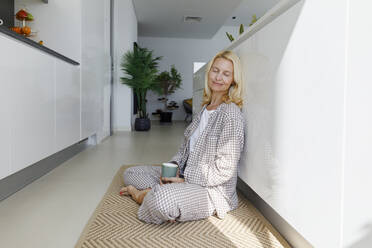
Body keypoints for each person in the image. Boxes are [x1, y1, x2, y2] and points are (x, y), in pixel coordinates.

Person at [120, 50, 245, 224]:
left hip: (211, 190)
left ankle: (143, 195)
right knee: (131, 173)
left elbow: (224, 170)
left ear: (233, 80)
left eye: (226, 74)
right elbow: (183, 150)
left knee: (162, 201)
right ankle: (163, 192)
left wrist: (184, 179)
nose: (218, 77)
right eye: (215, 70)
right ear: (209, 73)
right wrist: (174, 167)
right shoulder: (204, 109)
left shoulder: (230, 113)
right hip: (185, 174)